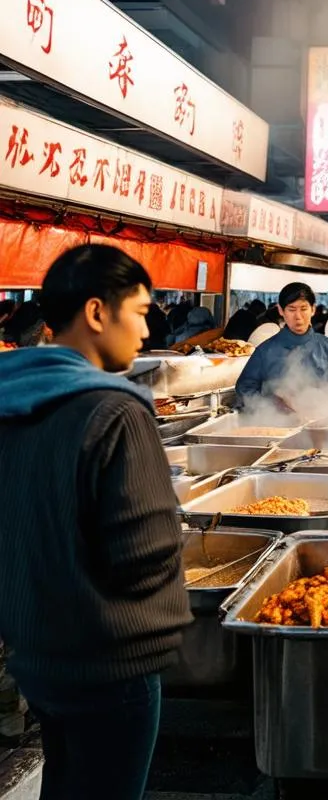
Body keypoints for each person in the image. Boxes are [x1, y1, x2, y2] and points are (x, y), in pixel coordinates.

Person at [0, 244, 190, 800]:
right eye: (139, 310)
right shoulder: (115, 410)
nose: (147, 326)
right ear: (96, 313)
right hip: (109, 661)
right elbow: (148, 550)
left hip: (36, 655)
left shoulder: (10, 400)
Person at [236, 282, 328, 411]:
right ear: (281, 310)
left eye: (303, 309)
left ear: (313, 309)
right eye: (291, 310)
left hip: (318, 424)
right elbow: (245, 390)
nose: (298, 317)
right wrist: (272, 404)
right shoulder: (265, 351)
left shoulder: (327, 347)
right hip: (278, 425)